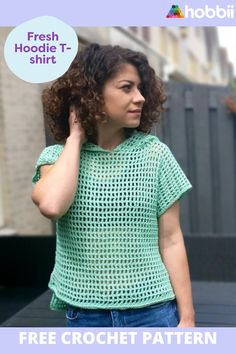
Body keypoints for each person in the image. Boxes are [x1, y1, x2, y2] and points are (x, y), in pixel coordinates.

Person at [32, 43, 195, 327]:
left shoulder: (155, 155)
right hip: (86, 317)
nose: (140, 97)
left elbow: (171, 240)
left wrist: (188, 317)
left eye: (141, 88)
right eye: (127, 87)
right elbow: (51, 205)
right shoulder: (55, 159)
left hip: (153, 313)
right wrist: (75, 138)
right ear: (91, 94)